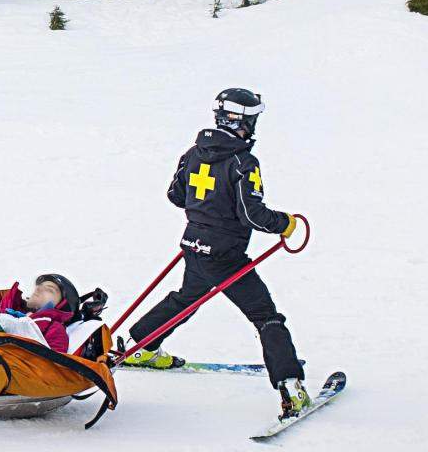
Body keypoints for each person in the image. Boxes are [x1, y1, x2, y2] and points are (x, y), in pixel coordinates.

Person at [122, 88, 310, 418]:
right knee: (266, 316)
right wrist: (286, 224)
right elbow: (252, 215)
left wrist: (206, 211)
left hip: (194, 245)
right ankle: (291, 386)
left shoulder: (194, 153)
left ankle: (143, 346)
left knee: (187, 297)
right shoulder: (242, 161)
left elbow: (175, 195)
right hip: (225, 255)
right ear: (243, 121)